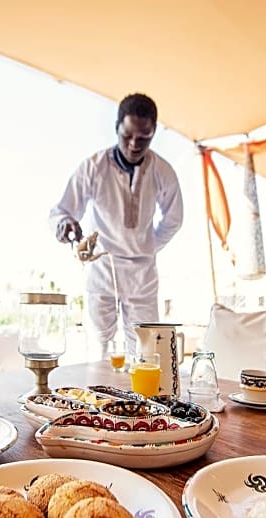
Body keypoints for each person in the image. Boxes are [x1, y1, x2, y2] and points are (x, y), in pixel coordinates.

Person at [49, 93, 183, 357]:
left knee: (146, 351)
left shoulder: (162, 171)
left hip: (142, 272)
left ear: (153, 133)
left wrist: (148, 246)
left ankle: (141, 399)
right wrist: (65, 224)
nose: (134, 144)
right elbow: (62, 211)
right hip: (101, 266)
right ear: (117, 128)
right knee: (98, 348)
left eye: (143, 138)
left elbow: (174, 218)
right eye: (127, 135)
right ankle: (97, 396)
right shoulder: (93, 167)